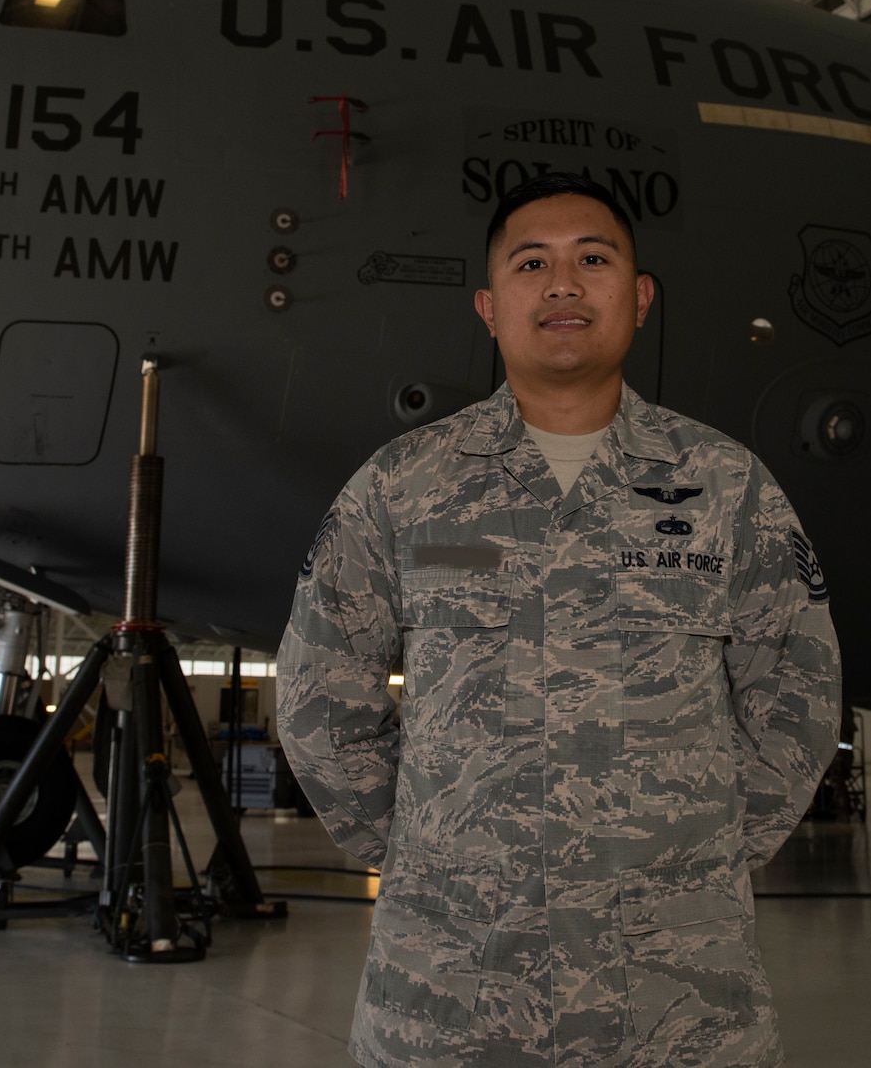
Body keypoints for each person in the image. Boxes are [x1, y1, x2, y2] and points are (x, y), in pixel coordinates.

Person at [278, 174, 840, 1067]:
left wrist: (694, 850)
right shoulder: (401, 486)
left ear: (642, 297)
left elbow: (797, 696)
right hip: (456, 989)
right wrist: (435, 852)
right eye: (532, 262)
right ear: (490, 305)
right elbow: (318, 699)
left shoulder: (728, 486)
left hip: (678, 995)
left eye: (594, 259)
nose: (564, 283)